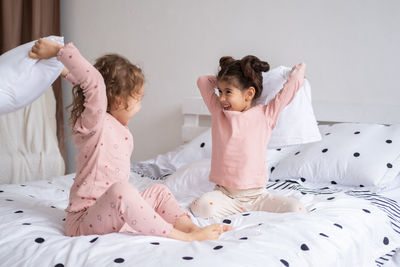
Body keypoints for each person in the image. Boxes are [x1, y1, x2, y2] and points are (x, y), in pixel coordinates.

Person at [29, 38, 231, 241]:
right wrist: (59, 51)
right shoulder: (95, 122)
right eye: (138, 99)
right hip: (84, 221)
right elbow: (93, 84)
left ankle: (191, 229)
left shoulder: (114, 124)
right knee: (122, 191)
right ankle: (182, 237)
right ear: (118, 100)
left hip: (112, 213)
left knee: (159, 191)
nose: (140, 106)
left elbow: (92, 87)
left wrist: (65, 72)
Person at [190, 55, 306, 219]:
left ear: (249, 93)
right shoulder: (219, 112)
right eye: (220, 91)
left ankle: (249, 210)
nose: (222, 98)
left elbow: (290, 88)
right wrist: (232, 79)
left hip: (258, 196)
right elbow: (202, 81)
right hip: (225, 194)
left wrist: (294, 73)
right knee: (201, 208)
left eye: (228, 92)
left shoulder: (266, 114)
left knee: (296, 209)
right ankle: (238, 211)